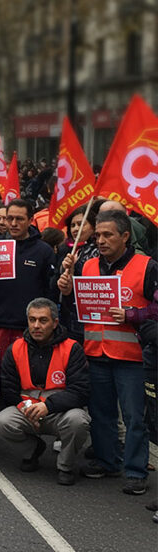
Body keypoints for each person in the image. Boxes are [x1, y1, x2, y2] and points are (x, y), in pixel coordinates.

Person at [57, 209, 155, 495]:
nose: (100, 240)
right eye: (98, 234)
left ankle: (136, 471)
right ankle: (107, 460)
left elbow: (156, 309)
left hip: (132, 358)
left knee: (135, 417)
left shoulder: (147, 266)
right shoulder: (87, 266)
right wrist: (65, 289)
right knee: (101, 414)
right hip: (96, 352)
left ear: (125, 236)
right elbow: (76, 310)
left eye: (107, 235)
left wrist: (132, 315)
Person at [0, 298, 90, 485]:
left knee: (78, 421)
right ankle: (33, 450)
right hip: (26, 410)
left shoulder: (72, 348)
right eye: (32, 320)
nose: (36, 325)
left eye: (43, 320)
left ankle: (65, 466)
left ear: (55, 323)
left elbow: (80, 391)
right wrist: (25, 408)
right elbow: (7, 386)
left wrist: (48, 406)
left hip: (59, 411)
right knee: (1, 422)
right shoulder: (16, 348)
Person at [0, 199, 57, 353]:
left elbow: (50, 290)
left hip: (29, 327)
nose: (13, 223)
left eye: (19, 219)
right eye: (10, 218)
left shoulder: (44, 251)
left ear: (30, 220)